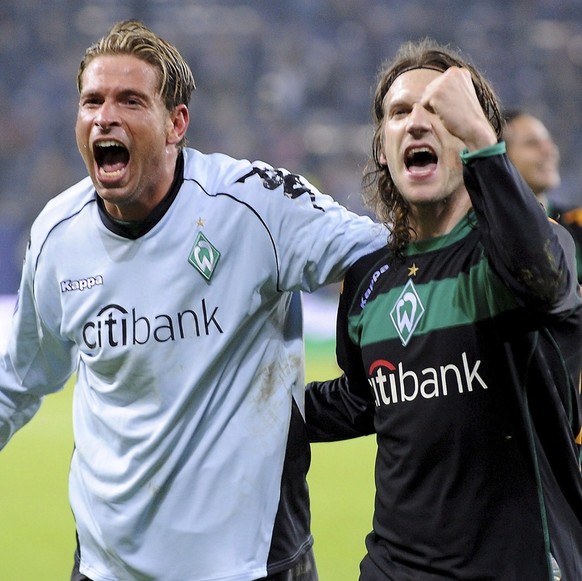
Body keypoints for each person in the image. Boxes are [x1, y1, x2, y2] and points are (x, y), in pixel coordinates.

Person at [0, 20, 387, 581]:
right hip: (107, 569)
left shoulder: (254, 205)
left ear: (176, 122)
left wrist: (370, 378)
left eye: (130, 100)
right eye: (92, 101)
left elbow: (378, 256)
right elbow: (18, 378)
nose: (105, 116)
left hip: (255, 565)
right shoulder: (58, 235)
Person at [306, 39, 582, 580]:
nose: (415, 122)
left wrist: (485, 141)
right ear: (383, 149)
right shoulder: (368, 280)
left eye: (437, 110)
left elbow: (544, 281)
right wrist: (250, 401)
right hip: (395, 569)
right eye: (399, 112)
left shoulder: (524, 252)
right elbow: (365, 397)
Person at [504, 108, 582, 282]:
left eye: (548, 141)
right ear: (502, 158)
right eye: (532, 143)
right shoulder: (489, 233)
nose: (549, 151)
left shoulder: (577, 221)